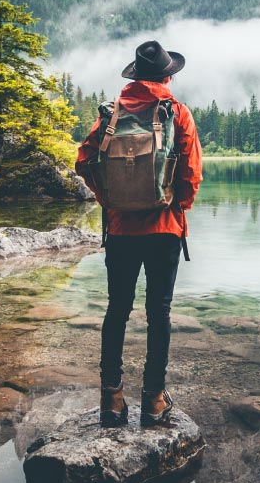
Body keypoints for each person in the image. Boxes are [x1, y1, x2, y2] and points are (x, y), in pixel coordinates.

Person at [75, 40, 202, 427]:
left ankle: (112, 400)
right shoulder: (177, 112)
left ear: (135, 75)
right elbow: (191, 176)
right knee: (158, 312)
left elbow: (83, 162)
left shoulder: (111, 114)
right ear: (167, 75)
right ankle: (153, 400)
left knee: (117, 310)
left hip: (121, 231)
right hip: (164, 229)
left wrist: (110, 201)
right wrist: (174, 206)